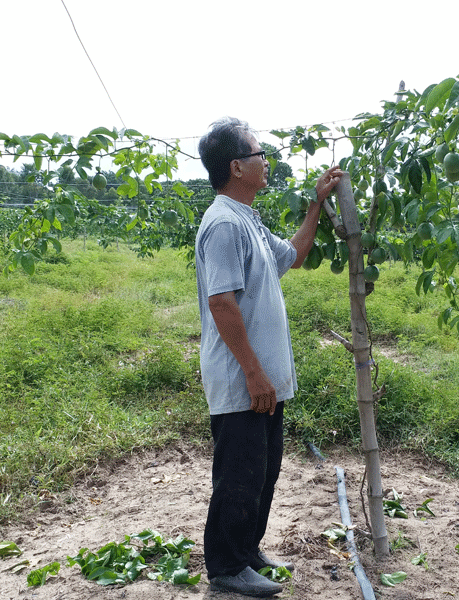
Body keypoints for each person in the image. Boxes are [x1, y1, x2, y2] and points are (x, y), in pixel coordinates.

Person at [195, 117, 343, 597]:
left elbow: (293, 257)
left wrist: (316, 204)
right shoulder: (222, 224)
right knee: (238, 475)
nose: (266, 162)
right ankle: (225, 567)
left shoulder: (248, 219)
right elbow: (222, 303)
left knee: (263, 470)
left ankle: (248, 551)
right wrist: (254, 374)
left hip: (262, 380)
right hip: (244, 380)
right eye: (259, 154)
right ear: (237, 166)